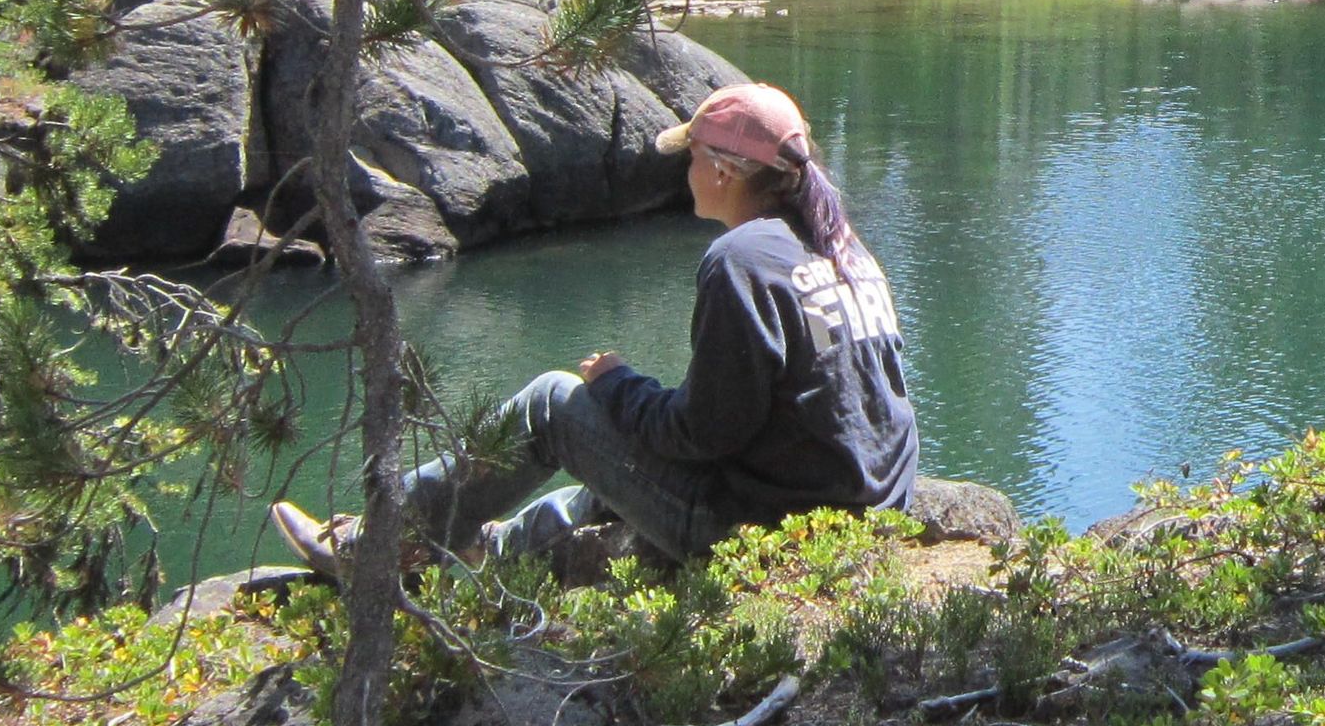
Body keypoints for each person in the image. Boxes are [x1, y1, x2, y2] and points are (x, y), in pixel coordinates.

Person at [272, 80, 918, 575]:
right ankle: (489, 549)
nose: (684, 172)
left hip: (765, 533)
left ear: (723, 168)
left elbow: (703, 434)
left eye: (690, 155)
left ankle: (375, 544)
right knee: (620, 452)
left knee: (552, 404)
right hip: (865, 520)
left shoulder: (741, 260)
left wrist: (616, 385)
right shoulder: (844, 250)